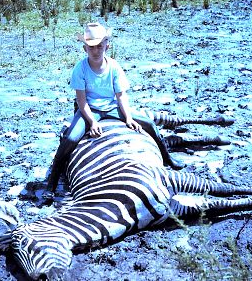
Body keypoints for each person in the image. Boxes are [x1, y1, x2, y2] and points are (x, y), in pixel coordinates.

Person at [43, 22, 184, 199]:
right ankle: (51, 183)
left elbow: (121, 95)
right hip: (90, 109)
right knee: (71, 138)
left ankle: (167, 157)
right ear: (84, 48)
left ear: (107, 46)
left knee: (148, 123)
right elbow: (81, 99)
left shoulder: (114, 67)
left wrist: (128, 117)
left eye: (99, 46)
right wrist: (92, 122)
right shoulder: (80, 69)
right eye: (91, 47)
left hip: (112, 107)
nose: (95, 51)